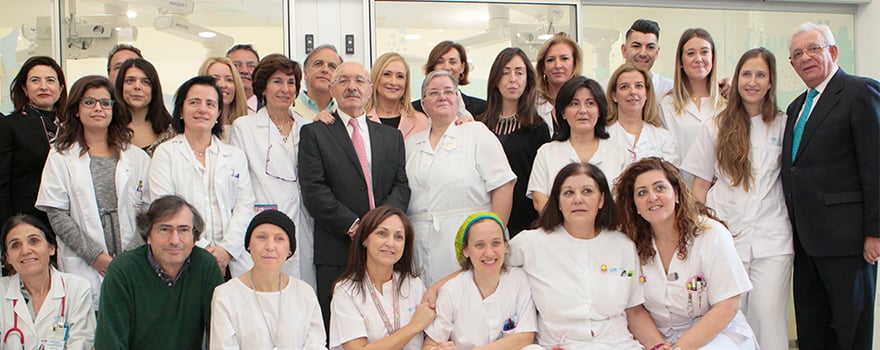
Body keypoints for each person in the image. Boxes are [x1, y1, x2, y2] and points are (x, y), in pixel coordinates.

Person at [681, 48, 792, 350]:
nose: (752, 82)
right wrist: (699, 229)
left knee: (769, 319)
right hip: (726, 236)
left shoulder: (784, 124)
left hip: (773, 238)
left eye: (760, 75)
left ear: (771, 82)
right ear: (736, 78)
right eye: (746, 74)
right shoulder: (715, 126)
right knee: (727, 320)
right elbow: (699, 185)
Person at [783, 22, 879, 350]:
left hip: (848, 242)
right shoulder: (796, 107)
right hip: (805, 243)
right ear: (792, 64)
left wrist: (875, 232)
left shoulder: (860, 92)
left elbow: (875, 166)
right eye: (797, 54)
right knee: (813, 329)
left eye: (813, 49)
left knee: (851, 331)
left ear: (833, 51)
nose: (805, 57)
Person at [298, 61, 410, 330]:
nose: (352, 87)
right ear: (333, 89)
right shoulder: (315, 133)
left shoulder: (391, 137)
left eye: (359, 80)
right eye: (344, 81)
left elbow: (401, 186)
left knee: (383, 325)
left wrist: (380, 229)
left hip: (385, 252)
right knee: (338, 328)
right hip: (337, 248)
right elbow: (314, 190)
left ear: (370, 90)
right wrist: (357, 228)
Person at [510, 162, 667, 349]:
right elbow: (490, 269)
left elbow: (634, 311)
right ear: (558, 202)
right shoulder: (531, 243)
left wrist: (658, 346)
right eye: (568, 193)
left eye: (587, 191)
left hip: (617, 343)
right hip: (559, 344)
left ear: (601, 200)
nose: (578, 199)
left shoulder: (622, 245)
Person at [616, 157, 757, 349]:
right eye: (642, 193)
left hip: (716, 334)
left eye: (659, 188)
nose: (652, 197)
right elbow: (635, 311)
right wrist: (659, 346)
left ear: (677, 195)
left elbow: (727, 306)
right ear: (635, 206)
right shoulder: (628, 244)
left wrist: (680, 348)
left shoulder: (711, 234)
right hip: (657, 338)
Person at [35, 75, 152, 309]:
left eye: (105, 103)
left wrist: (128, 258)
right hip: (84, 263)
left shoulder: (136, 157)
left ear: (113, 109)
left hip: (133, 259)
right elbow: (57, 214)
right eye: (89, 102)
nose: (98, 108)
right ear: (77, 109)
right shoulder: (60, 156)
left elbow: (150, 210)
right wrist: (96, 257)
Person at [407, 69, 515, 285]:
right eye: (433, 92)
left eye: (449, 91)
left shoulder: (476, 133)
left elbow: (503, 184)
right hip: (420, 241)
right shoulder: (411, 143)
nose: (442, 96)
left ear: (458, 99)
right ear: (424, 104)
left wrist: (495, 236)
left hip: (468, 236)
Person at [149, 76, 255, 277]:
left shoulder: (234, 156)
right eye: (194, 102)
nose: (202, 109)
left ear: (218, 113)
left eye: (210, 104)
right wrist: (205, 250)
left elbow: (244, 206)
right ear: (180, 110)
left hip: (232, 260)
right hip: (185, 255)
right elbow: (164, 207)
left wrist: (226, 250)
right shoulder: (166, 154)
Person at [230, 54, 316, 287]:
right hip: (261, 220)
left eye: (291, 83)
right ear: (263, 87)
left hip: (302, 225)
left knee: (298, 297)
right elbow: (239, 185)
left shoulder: (308, 127)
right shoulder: (244, 127)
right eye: (277, 81)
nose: (285, 89)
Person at [95, 195, 224, 349]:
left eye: (183, 230)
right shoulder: (122, 270)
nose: (175, 240)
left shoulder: (205, 266)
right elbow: (110, 342)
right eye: (165, 229)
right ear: (148, 235)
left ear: (195, 236)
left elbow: (220, 334)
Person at [211, 210, 326, 349]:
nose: (270, 247)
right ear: (248, 245)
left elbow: (316, 344)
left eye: (279, 239)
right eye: (261, 237)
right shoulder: (226, 295)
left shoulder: (304, 293)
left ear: (290, 250)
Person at [423, 212, 537, 349]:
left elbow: (526, 337)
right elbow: (430, 344)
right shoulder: (451, 291)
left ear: (505, 246)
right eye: (479, 245)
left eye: (496, 243)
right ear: (465, 250)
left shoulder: (518, 279)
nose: (489, 253)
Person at [329, 206, 433, 350]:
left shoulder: (414, 285)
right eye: (382, 233)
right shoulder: (346, 290)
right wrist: (414, 326)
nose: (390, 243)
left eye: (398, 237)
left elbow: (433, 338)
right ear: (364, 239)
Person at [528, 76, 629, 214]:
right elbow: (539, 199)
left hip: (607, 231)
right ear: (563, 112)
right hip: (558, 232)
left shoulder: (619, 153)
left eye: (590, 103)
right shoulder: (547, 152)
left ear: (600, 110)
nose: (583, 110)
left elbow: (624, 202)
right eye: (574, 104)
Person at [478, 47, 550, 236]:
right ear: (495, 79)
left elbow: (541, 182)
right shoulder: (479, 126)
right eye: (505, 72)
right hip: (482, 219)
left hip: (524, 224)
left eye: (519, 72)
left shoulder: (537, 128)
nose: (513, 79)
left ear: (528, 80)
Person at [0, 214, 95, 350]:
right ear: (8, 257)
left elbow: (81, 344)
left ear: (52, 248)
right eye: (15, 245)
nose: (25, 251)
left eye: (34, 241)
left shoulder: (77, 289)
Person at [0, 56, 67, 229]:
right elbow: (2, 184)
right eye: (35, 80)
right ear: (25, 88)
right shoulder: (10, 125)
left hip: (68, 219)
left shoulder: (73, 128)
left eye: (50, 80)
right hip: (27, 220)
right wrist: (8, 227)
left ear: (60, 89)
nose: (43, 86)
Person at [660, 28, 725, 176]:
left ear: (713, 58)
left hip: (723, 193)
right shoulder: (667, 105)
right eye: (691, 53)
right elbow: (667, 157)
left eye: (704, 52)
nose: (698, 58)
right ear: (681, 62)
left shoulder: (727, 103)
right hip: (683, 191)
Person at [606, 64, 678, 164]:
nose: (632, 91)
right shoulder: (603, 137)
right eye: (624, 87)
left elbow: (671, 177)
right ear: (614, 95)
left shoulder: (663, 137)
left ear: (647, 93)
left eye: (639, 86)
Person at [115, 58, 174, 156]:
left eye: (145, 82)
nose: (137, 87)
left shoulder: (170, 132)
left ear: (154, 89)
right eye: (130, 81)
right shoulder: (108, 128)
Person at [412, 41, 486, 119]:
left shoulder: (482, 109)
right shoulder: (413, 110)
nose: (446, 67)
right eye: (440, 62)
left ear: (462, 67)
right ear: (432, 68)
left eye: (452, 62)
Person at [365, 52, 429, 139]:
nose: (393, 82)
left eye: (400, 76)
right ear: (376, 78)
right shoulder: (360, 119)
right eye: (387, 74)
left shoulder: (421, 121)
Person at [535, 32, 583, 136]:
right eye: (551, 60)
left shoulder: (587, 104)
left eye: (564, 58)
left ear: (575, 64)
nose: (558, 65)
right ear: (543, 68)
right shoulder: (533, 107)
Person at [618, 19, 673, 99]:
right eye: (636, 46)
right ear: (624, 50)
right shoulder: (605, 88)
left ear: (657, 52)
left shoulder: (668, 89)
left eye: (650, 47)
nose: (643, 53)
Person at [199, 56, 249, 141]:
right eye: (215, 79)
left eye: (229, 80)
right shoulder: (195, 129)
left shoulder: (248, 128)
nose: (223, 85)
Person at [293, 44, 342, 120]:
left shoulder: (343, 113)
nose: (325, 70)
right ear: (305, 73)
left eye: (332, 66)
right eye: (318, 64)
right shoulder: (288, 109)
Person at [226, 44, 260, 114]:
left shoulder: (271, 110)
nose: (244, 71)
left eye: (251, 66)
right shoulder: (216, 108)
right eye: (236, 65)